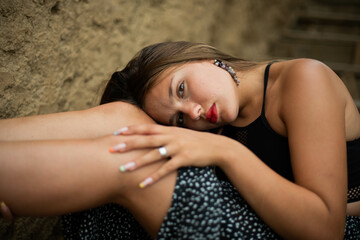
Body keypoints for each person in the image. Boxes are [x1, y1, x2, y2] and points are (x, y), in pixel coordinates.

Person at [1, 41, 359, 239]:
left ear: (205, 58)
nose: (195, 113)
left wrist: (226, 151)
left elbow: (326, 230)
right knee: (125, 120)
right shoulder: (207, 126)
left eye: (182, 88)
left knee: (139, 165)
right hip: (253, 217)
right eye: (179, 118)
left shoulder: (305, 79)